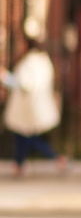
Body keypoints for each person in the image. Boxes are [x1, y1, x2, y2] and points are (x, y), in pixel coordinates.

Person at [2, 34, 65, 176]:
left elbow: (24, 84)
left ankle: (56, 157)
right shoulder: (44, 62)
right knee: (23, 138)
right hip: (34, 108)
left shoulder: (29, 63)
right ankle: (19, 166)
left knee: (27, 139)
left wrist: (5, 78)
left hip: (27, 109)